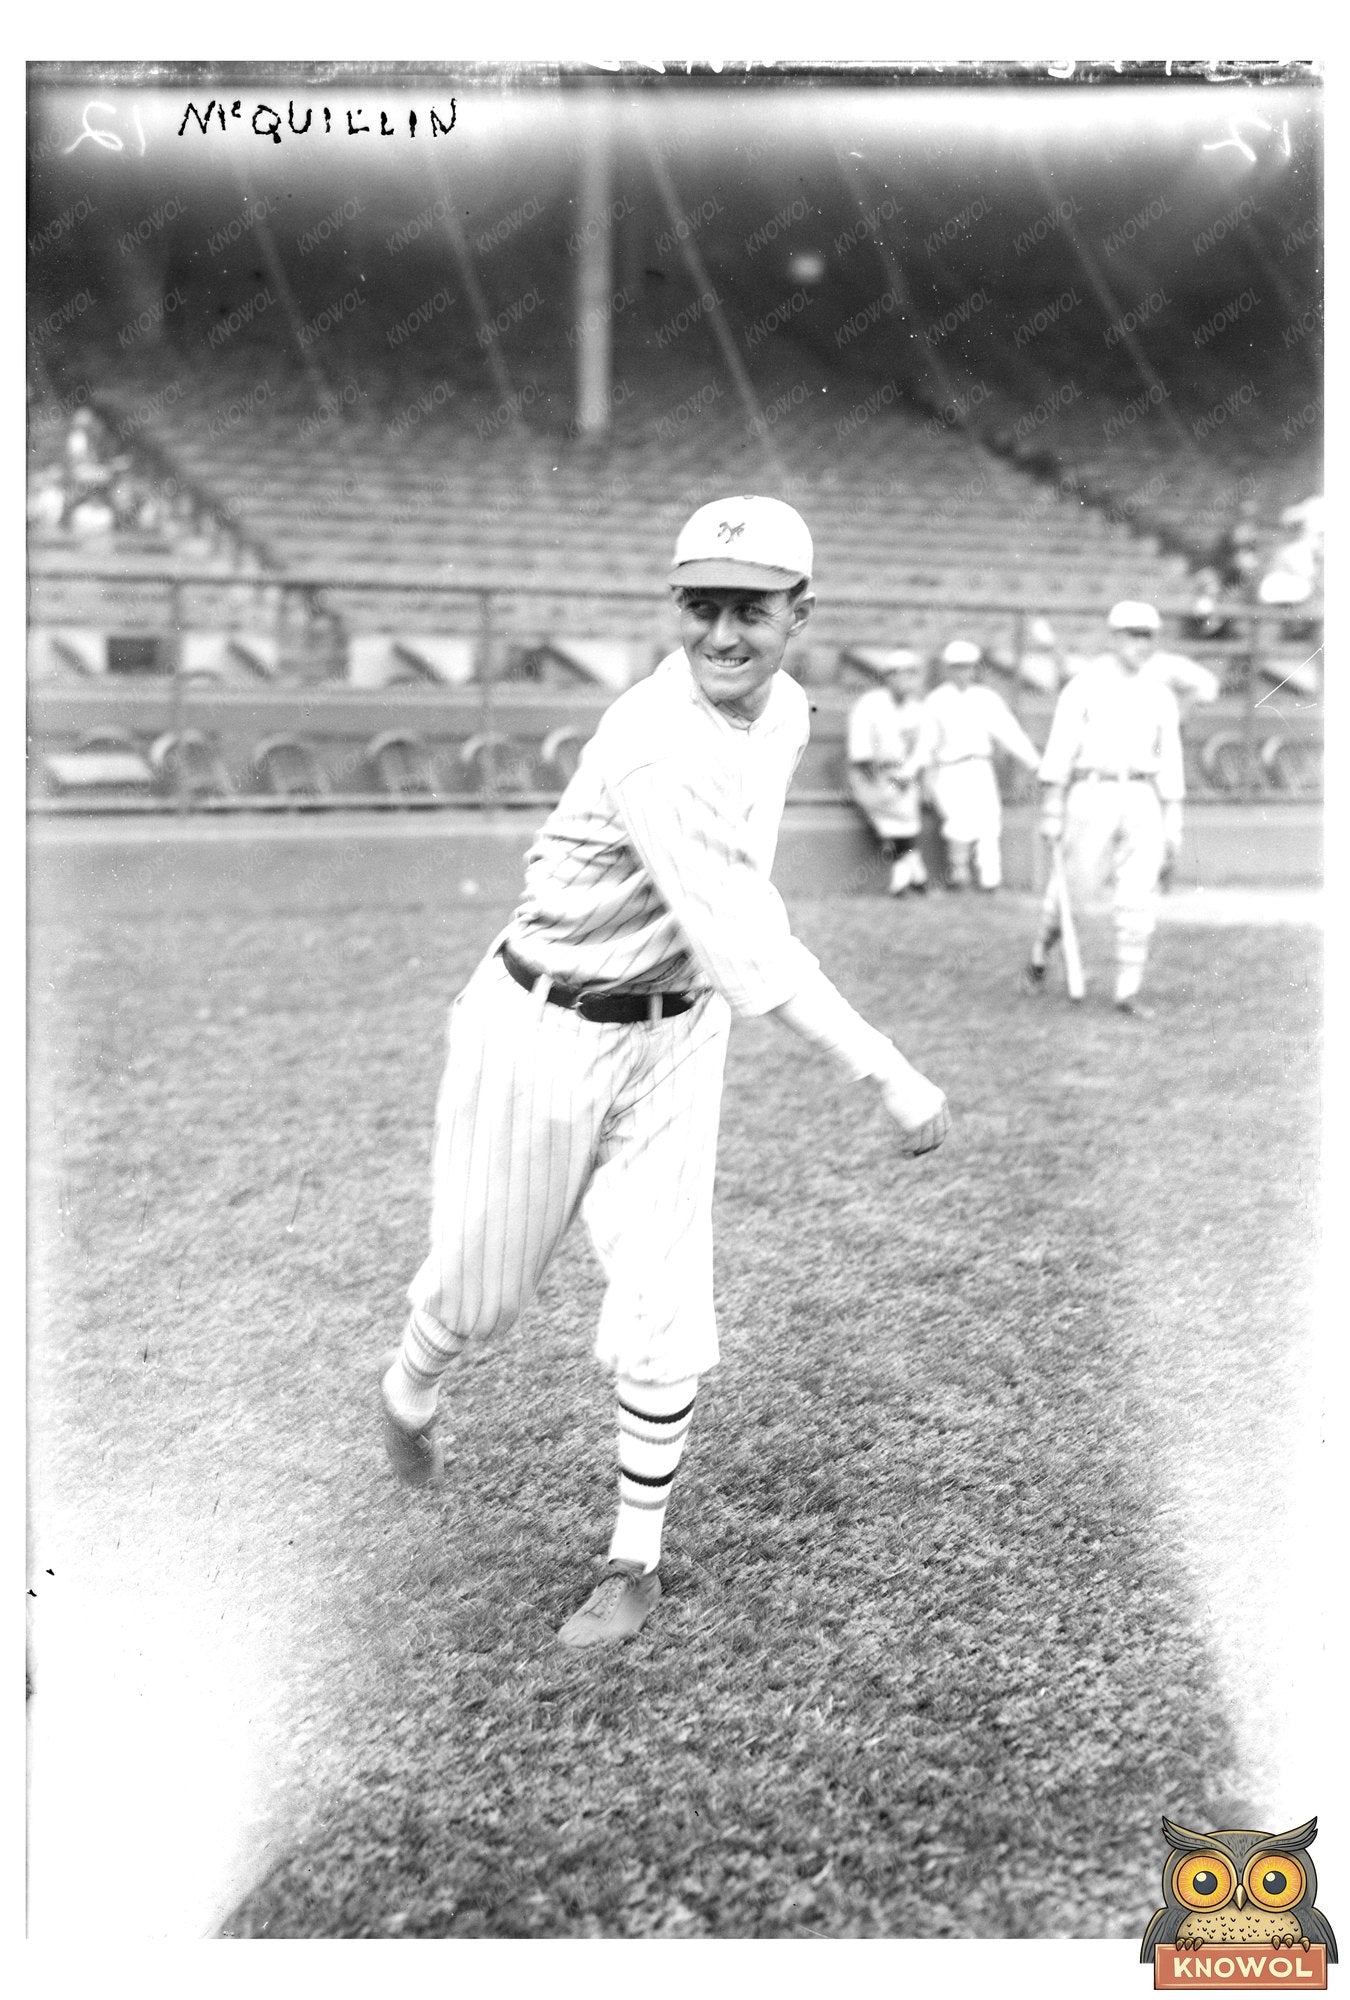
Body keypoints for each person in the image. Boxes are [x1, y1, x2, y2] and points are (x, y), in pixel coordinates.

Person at [377, 495, 951, 1648]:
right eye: (702, 606)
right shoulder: (654, 738)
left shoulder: (785, 707)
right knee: (479, 1289)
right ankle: (409, 1384)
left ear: (801, 612)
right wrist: (887, 1069)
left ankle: (632, 1558)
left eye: (752, 608)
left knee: (665, 1302)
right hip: (542, 1018)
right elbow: (748, 942)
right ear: (675, 608)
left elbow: (732, 922)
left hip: (677, 1029)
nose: (725, 635)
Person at [1022, 600, 1185, 1017]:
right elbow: (1060, 749)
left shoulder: (1160, 693)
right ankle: (1041, 950)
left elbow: (1171, 761)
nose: (1141, 644)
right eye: (1133, 635)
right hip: (1091, 792)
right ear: (1114, 638)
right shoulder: (1084, 685)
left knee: (1139, 894)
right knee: (1073, 890)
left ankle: (1127, 990)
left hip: (1143, 795)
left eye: (1148, 636)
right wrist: (1052, 809)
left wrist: (1173, 821)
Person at [922, 639, 1042, 890]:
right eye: (956, 667)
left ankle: (991, 880)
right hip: (949, 768)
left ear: (975, 668)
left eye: (967, 667)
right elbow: (927, 743)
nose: (962, 672)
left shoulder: (986, 698)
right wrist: (922, 772)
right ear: (947, 669)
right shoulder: (936, 700)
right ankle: (959, 876)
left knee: (988, 821)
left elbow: (1009, 733)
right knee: (958, 823)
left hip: (980, 767)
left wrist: (1034, 762)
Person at [846, 649, 934, 894]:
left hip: (905, 776)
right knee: (894, 821)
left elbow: (923, 749)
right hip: (872, 775)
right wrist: (883, 781)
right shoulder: (870, 704)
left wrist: (908, 774)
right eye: (898, 675)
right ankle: (914, 873)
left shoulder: (918, 708)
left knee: (903, 821)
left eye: (911, 675)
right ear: (888, 677)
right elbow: (861, 752)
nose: (905, 681)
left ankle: (906, 878)